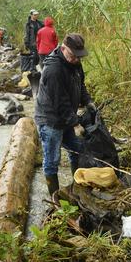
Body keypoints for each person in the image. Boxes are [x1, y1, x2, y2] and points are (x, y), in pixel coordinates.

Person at [34, 33, 96, 196]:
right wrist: (75, 124)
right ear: (63, 49)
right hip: (50, 120)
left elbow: (80, 85)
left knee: (78, 149)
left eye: (78, 57)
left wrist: (88, 101)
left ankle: (77, 187)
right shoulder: (53, 70)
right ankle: (55, 198)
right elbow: (60, 102)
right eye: (73, 56)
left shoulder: (75, 62)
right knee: (52, 160)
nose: (76, 60)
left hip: (67, 117)